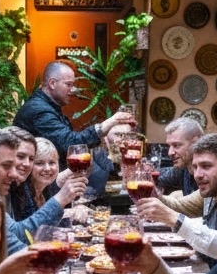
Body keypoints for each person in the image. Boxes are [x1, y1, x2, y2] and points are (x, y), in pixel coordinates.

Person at [11, 60, 133, 196]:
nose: (73, 90)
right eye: (68, 84)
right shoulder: (39, 111)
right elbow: (69, 143)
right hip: (32, 188)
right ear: (52, 83)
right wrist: (109, 122)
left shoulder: (48, 107)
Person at [0, 128, 83, 253]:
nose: (14, 173)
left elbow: (15, 238)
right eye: (6, 165)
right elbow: (19, 244)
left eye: (31, 159)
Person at [136, 133, 217, 263]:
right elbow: (180, 206)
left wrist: (172, 218)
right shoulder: (212, 189)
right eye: (195, 167)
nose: (197, 175)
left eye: (206, 166)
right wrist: (152, 192)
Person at [6, 126, 80, 221]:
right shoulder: (20, 190)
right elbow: (27, 227)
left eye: (52, 163)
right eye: (39, 163)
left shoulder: (46, 189)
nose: (47, 168)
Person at [156, 116, 204, 199]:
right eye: (169, 146)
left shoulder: (211, 173)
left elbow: (204, 211)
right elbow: (155, 176)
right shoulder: (183, 170)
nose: (170, 153)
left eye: (176, 145)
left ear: (196, 142)